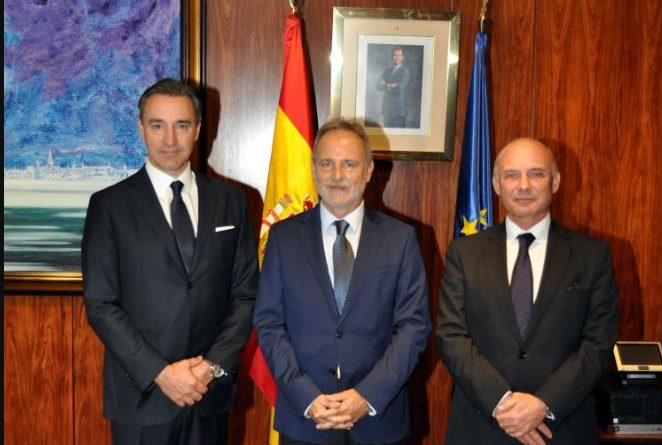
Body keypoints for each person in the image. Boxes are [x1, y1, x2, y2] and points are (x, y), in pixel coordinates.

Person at [82, 78, 258, 445]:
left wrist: (210, 368)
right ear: (140, 128)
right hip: (141, 396)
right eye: (157, 125)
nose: (170, 139)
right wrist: (161, 373)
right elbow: (101, 304)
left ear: (198, 129)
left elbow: (245, 296)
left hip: (208, 394)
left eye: (181, 125)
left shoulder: (232, 202)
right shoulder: (109, 206)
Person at [253, 119, 430, 444]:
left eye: (349, 164)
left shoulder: (400, 239)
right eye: (327, 164)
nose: (337, 175)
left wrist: (367, 396)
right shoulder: (283, 238)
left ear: (368, 170)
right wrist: (305, 396)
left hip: (378, 420)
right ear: (313, 169)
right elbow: (269, 323)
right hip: (305, 420)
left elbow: (413, 327)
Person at [436, 138, 618, 445]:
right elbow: (450, 336)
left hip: (561, 428)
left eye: (536, 174)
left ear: (555, 181)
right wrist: (502, 402)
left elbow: (598, 343)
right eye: (511, 175)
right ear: (496, 184)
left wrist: (543, 405)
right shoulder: (463, 254)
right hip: (481, 427)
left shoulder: (592, 256)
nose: (524, 186)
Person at [376, 47, 411, 128]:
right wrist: (393, 85)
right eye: (395, 55)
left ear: (402, 57)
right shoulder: (387, 71)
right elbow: (378, 86)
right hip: (386, 109)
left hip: (398, 110)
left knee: (397, 134)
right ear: (392, 57)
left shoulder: (405, 71)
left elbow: (400, 88)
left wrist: (386, 85)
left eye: (399, 55)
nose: (397, 57)